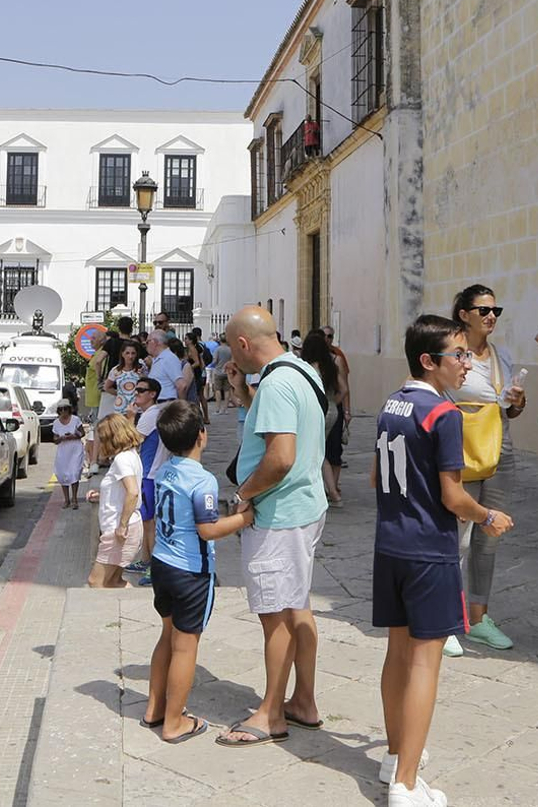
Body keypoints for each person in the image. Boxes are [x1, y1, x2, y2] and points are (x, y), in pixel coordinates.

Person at [375, 315, 514, 806]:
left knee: (397, 653)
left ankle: (395, 754)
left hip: (390, 543)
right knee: (425, 664)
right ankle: (407, 781)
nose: (466, 362)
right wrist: (488, 515)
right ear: (428, 361)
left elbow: (375, 477)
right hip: (428, 549)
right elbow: (453, 497)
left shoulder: (392, 404)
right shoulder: (444, 413)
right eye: (458, 354)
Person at [217, 306, 328, 747]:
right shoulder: (300, 370)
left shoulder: (277, 384)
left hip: (279, 515)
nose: (232, 355)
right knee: (297, 606)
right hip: (305, 506)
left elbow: (280, 457)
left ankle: (270, 714)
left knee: (275, 615)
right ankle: (303, 701)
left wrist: (244, 494)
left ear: (244, 344)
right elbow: (281, 428)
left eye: (233, 347)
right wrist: (244, 394)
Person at [143, 401, 255, 745]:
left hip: (161, 563)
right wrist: (242, 519)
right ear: (201, 436)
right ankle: (174, 722)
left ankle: (154, 709)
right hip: (190, 571)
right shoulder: (202, 481)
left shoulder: (164, 471)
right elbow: (207, 530)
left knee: (167, 636)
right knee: (185, 646)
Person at [448, 285, 527, 655]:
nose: (492, 316)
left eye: (496, 310)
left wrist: (517, 402)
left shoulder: (501, 355)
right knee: (457, 538)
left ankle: (478, 619)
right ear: (464, 314)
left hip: (499, 450)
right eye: (484, 310)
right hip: (460, 450)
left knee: (489, 537)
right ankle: (447, 619)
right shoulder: (451, 353)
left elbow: (508, 410)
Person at [87, 414, 145, 588]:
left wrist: (122, 526)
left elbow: (133, 492)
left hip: (118, 530)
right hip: (128, 527)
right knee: (113, 582)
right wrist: (103, 495)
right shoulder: (131, 455)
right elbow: (124, 491)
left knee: (96, 581)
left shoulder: (122, 460)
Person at [299, 330, 348, 507]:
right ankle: (330, 491)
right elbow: (344, 389)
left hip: (317, 411)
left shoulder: (309, 368)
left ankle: (331, 493)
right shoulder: (330, 365)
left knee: (315, 451)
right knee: (319, 450)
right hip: (332, 410)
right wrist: (333, 402)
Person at [129, 378, 167, 582]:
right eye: (136, 389)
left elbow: (129, 441)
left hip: (149, 475)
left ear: (153, 394)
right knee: (146, 521)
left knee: (149, 523)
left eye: (141, 390)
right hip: (152, 472)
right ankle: (145, 560)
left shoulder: (149, 415)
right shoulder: (154, 413)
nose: (137, 393)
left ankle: (154, 567)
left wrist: (129, 417)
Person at [52, 401, 86, 508]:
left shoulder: (75, 420)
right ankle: (66, 500)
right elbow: (55, 439)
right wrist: (61, 438)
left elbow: (82, 433)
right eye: (61, 409)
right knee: (63, 474)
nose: (63, 412)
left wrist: (74, 436)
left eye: (65, 409)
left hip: (75, 450)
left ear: (69, 409)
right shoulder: (56, 423)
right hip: (63, 451)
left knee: (74, 473)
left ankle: (74, 499)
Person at [145, 330, 186, 401]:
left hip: (165, 402)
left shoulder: (169, 358)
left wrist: (181, 405)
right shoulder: (158, 358)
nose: (146, 345)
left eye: (147, 342)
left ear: (155, 342)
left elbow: (181, 385)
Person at [212, 338, 234, 412]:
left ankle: (218, 408)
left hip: (218, 372)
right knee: (227, 390)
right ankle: (225, 408)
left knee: (217, 390)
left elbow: (215, 360)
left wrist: (212, 365)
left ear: (220, 341)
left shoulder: (217, 349)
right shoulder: (230, 349)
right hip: (227, 372)